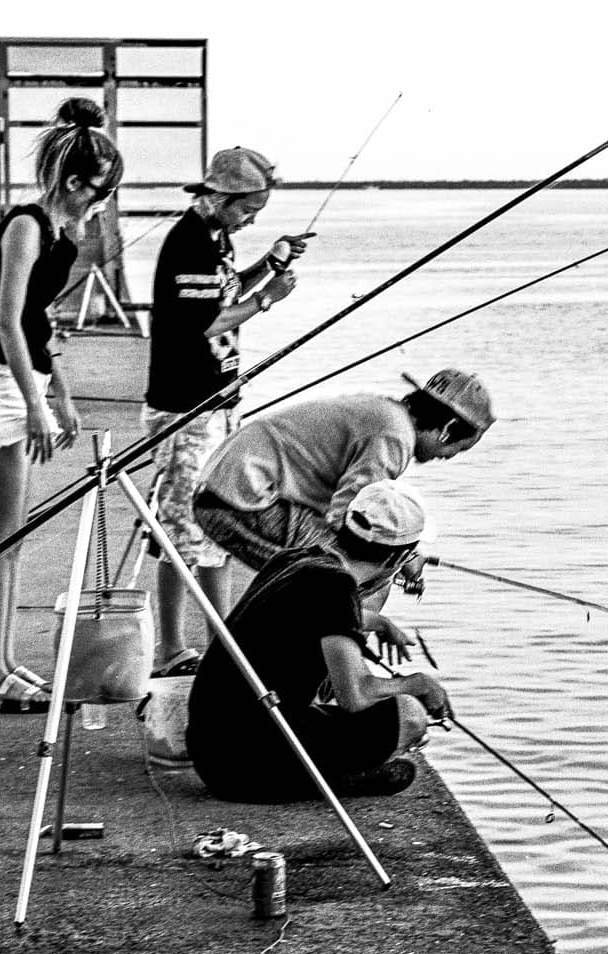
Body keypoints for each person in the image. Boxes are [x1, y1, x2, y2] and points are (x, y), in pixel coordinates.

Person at [0, 97, 123, 713]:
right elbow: (5, 322)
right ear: (72, 181)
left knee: (12, 540)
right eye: (99, 191)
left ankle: (5, 662)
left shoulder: (59, 236)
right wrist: (36, 407)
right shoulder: (24, 225)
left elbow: (41, 325)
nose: (100, 203)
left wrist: (61, 397)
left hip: (20, 387)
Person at [140, 146, 310, 675]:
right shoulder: (189, 243)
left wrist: (271, 263)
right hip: (184, 409)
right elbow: (205, 323)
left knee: (217, 527)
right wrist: (269, 300)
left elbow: (226, 290)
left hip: (215, 404)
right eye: (246, 210)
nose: (251, 219)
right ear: (218, 196)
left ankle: (222, 644)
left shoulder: (215, 239)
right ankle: (171, 649)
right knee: (180, 532)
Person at [185, 483, 451, 802]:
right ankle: (328, 781)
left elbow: (310, 613)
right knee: (408, 714)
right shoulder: (335, 586)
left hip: (211, 749)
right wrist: (417, 684)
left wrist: (377, 622)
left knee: (328, 703)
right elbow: (354, 695)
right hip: (246, 766)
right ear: (399, 559)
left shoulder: (298, 559)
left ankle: (328, 775)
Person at [192, 368, 494, 578]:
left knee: (350, 571)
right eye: (459, 449)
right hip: (241, 498)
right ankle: (338, 661)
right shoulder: (394, 437)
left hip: (228, 490)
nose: (449, 457)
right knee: (351, 573)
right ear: (448, 430)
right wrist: (402, 559)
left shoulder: (388, 414)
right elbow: (352, 519)